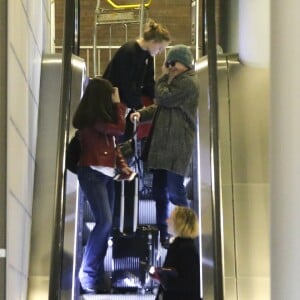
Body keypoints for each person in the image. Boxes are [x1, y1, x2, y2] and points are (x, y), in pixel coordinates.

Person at [130, 44, 199, 248]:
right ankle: (164, 230)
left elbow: (161, 97)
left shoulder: (188, 83)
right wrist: (141, 115)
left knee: (175, 191)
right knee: (159, 190)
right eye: (168, 64)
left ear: (185, 64)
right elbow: (160, 107)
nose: (169, 67)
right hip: (162, 147)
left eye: (173, 63)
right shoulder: (175, 83)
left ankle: (185, 232)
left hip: (175, 147)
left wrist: (162, 76)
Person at [72, 78, 133, 294]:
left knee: (107, 225)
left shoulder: (101, 121)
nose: (112, 99)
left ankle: (94, 274)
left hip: (106, 176)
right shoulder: (92, 119)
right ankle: (87, 274)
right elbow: (119, 130)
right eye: (109, 96)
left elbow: (114, 146)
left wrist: (124, 167)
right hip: (92, 174)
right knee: (104, 222)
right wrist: (118, 105)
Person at [103, 19, 171, 111]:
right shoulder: (129, 51)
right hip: (112, 99)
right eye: (160, 48)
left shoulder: (148, 55)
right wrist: (139, 106)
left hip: (126, 100)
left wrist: (156, 97)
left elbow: (148, 82)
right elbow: (126, 84)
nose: (160, 52)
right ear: (153, 41)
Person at [150, 206, 201, 300]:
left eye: (171, 218)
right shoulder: (181, 246)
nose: (167, 220)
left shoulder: (185, 249)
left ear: (179, 223)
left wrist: (162, 278)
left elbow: (187, 284)